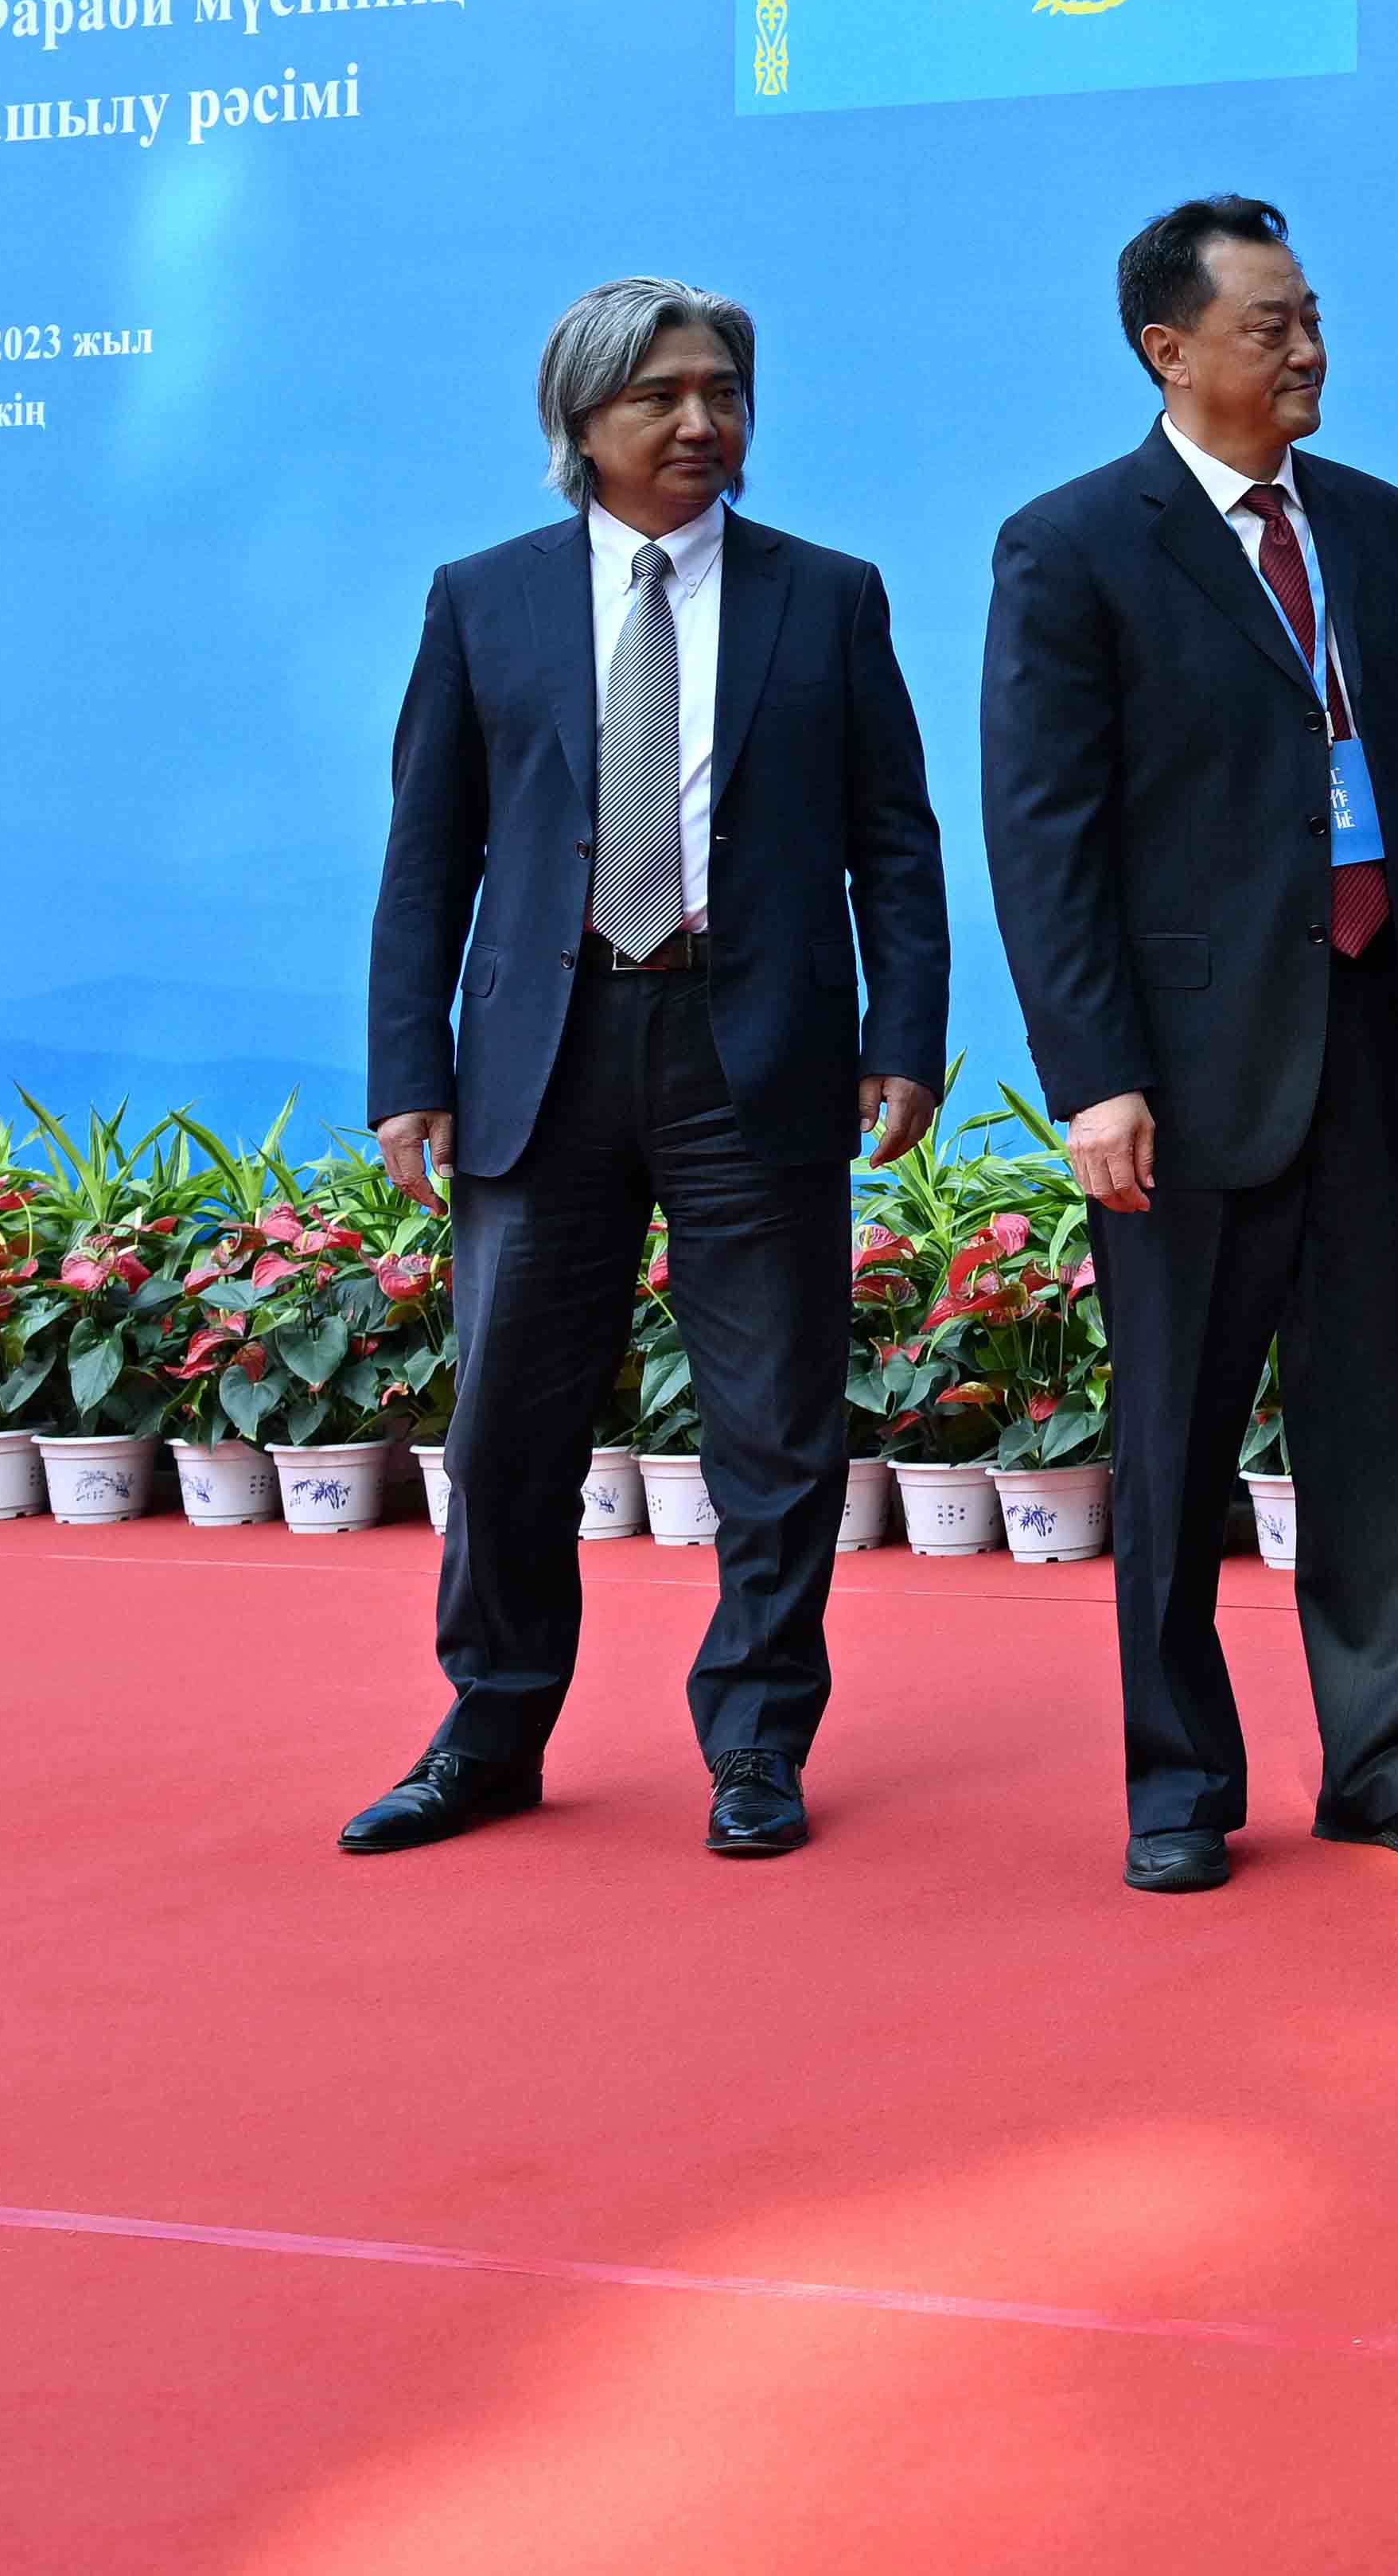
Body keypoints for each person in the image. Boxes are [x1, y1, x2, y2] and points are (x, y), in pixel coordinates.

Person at [979, 196, 1398, 1896]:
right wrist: (1092, 1072)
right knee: (1175, 1436)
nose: (1309, 349)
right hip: (1183, 1070)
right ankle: (1179, 1777)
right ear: (1168, 349)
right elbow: (1046, 837)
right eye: (1271, 324)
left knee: (1388, 1418)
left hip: (1378, 1023)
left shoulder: (1381, 530)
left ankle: (1386, 1754)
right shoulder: (1073, 544)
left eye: (1315, 316)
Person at [350, 277, 947, 1861]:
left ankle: (756, 1739)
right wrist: (411, 1060)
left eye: (726, 391)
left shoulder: (828, 595)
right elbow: (430, 855)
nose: (703, 422)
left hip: (751, 1045)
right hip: (545, 1053)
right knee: (510, 1429)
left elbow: (896, 838)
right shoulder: (484, 599)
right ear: (582, 422)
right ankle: (488, 1728)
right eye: (663, 396)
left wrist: (907, 1038)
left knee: (773, 1424)